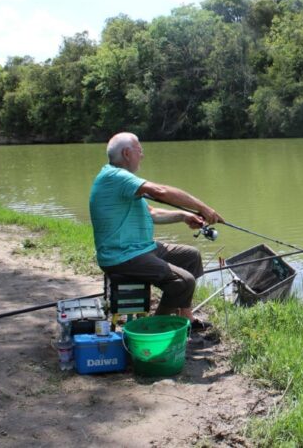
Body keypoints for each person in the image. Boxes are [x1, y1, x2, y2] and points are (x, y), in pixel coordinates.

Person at [89, 132, 224, 327]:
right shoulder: (116, 176)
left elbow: (151, 213)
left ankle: (186, 316)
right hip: (121, 256)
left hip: (140, 248)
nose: (142, 155)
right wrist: (202, 208)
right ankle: (153, 328)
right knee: (184, 282)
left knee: (191, 256)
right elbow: (161, 192)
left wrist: (183, 216)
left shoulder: (120, 180)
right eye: (139, 150)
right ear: (127, 153)